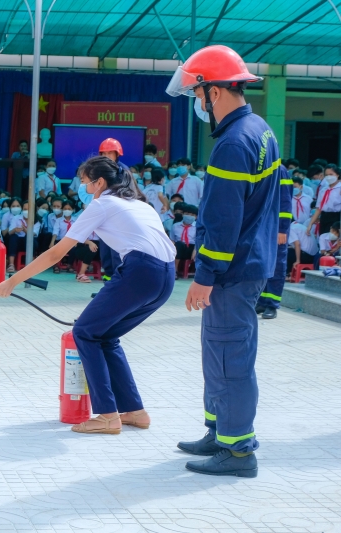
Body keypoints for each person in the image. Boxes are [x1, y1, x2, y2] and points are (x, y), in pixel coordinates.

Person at [0, 155, 175, 434]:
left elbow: (56, 253)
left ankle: (107, 416)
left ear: (100, 182)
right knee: (105, 336)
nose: (83, 189)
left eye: (85, 183)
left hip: (141, 272)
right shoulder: (140, 205)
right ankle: (135, 412)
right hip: (166, 277)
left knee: (85, 332)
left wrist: (13, 281)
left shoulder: (102, 204)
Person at [168, 44, 280, 478]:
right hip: (247, 266)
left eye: (197, 95)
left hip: (232, 272)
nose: (198, 104)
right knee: (219, 352)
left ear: (214, 92)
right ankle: (220, 430)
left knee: (230, 356)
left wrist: (205, 275)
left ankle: (238, 452)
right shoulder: (260, 130)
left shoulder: (234, 143)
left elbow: (222, 220)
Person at [256, 167, 295, 319]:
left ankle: (272, 304)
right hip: (261, 225)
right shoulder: (259, 168)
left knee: (277, 265)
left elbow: (285, 201)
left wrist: (282, 228)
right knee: (262, 264)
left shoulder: (279, 170)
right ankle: (262, 300)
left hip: (276, 227)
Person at [49, 200, 98, 281]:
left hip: (75, 241)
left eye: (69, 209)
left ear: (73, 210)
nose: (67, 210)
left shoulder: (76, 219)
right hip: (62, 240)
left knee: (74, 247)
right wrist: (52, 242)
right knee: (58, 247)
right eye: (65, 208)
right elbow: (55, 232)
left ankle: (70, 265)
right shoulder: (59, 220)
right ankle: (57, 265)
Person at [307, 164, 341, 236]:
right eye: (326, 175)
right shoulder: (323, 190)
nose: (329, 177)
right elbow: (319, 209)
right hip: (324, 217)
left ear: (337, 175)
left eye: (331, 174)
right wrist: (310, 224)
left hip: (337, 217)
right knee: (323, 239)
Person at [6, 201, 39, 273]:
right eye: (25, 209)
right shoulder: (16, 218)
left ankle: (31, 264)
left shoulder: (36, 221)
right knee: (13, 237)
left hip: (29, 242)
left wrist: (25, 230)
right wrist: (15, 230)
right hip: (18, 242)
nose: (26, 211)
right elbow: (9, 232)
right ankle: (11, 264)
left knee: (30, 239)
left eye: (28, 209)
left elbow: (34, 234)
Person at [170, 204, 198, 277]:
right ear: (182, 214)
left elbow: (199, 241)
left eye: (192, 214)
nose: (189, 216)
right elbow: (172, 240)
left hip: (192, 249)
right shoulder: (175, 226)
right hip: (178, 248)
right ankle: (174, 270)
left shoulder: (198, 227)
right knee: (179, 244)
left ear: (196, 217)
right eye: (187, 214)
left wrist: (195, 251)